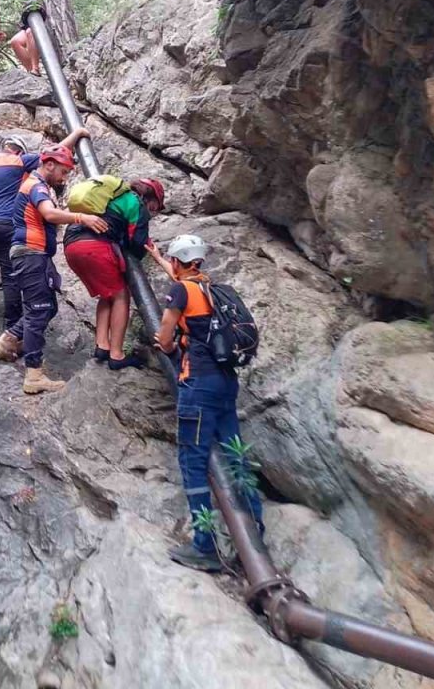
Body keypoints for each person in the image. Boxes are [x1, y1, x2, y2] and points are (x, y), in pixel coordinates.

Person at [152, 233, 264, 573]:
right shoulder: (212, 289)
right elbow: (184, 284)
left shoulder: (180, 291)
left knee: (193, 461)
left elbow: (166, 334)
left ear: (177, 261)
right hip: (226, 383)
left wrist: (167, 348)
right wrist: (158, 258)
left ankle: (205, 545)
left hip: (198, 384)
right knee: (235, 456)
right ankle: (254, 533)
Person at [0, 144, 107, 394]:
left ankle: (8, 340)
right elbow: (49, 214)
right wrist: (81, 217)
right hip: (31, 254)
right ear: (49, 164)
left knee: (47, 307)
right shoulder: (37, 186)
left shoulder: (38, 185)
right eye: (63, 172)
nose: (64, 177)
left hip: (34, 254)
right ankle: (33, 376)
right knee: (38, 312)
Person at [0, 126, 91, 310]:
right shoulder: (20, 161)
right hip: (6, 223)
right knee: (9, 274)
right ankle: (12, 323)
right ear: (19, 151)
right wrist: (76, 134)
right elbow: (53, 156)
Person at [63, 178, 166, 371]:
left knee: (107, 295)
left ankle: (102, 345)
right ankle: (116, 354)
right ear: (151, 199)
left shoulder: (111, 197)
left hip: (71, 245)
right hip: (95, 247)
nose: (154, 211)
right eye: (156, 206)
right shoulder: (137, 204)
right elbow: (137, 243)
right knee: (121, 297)